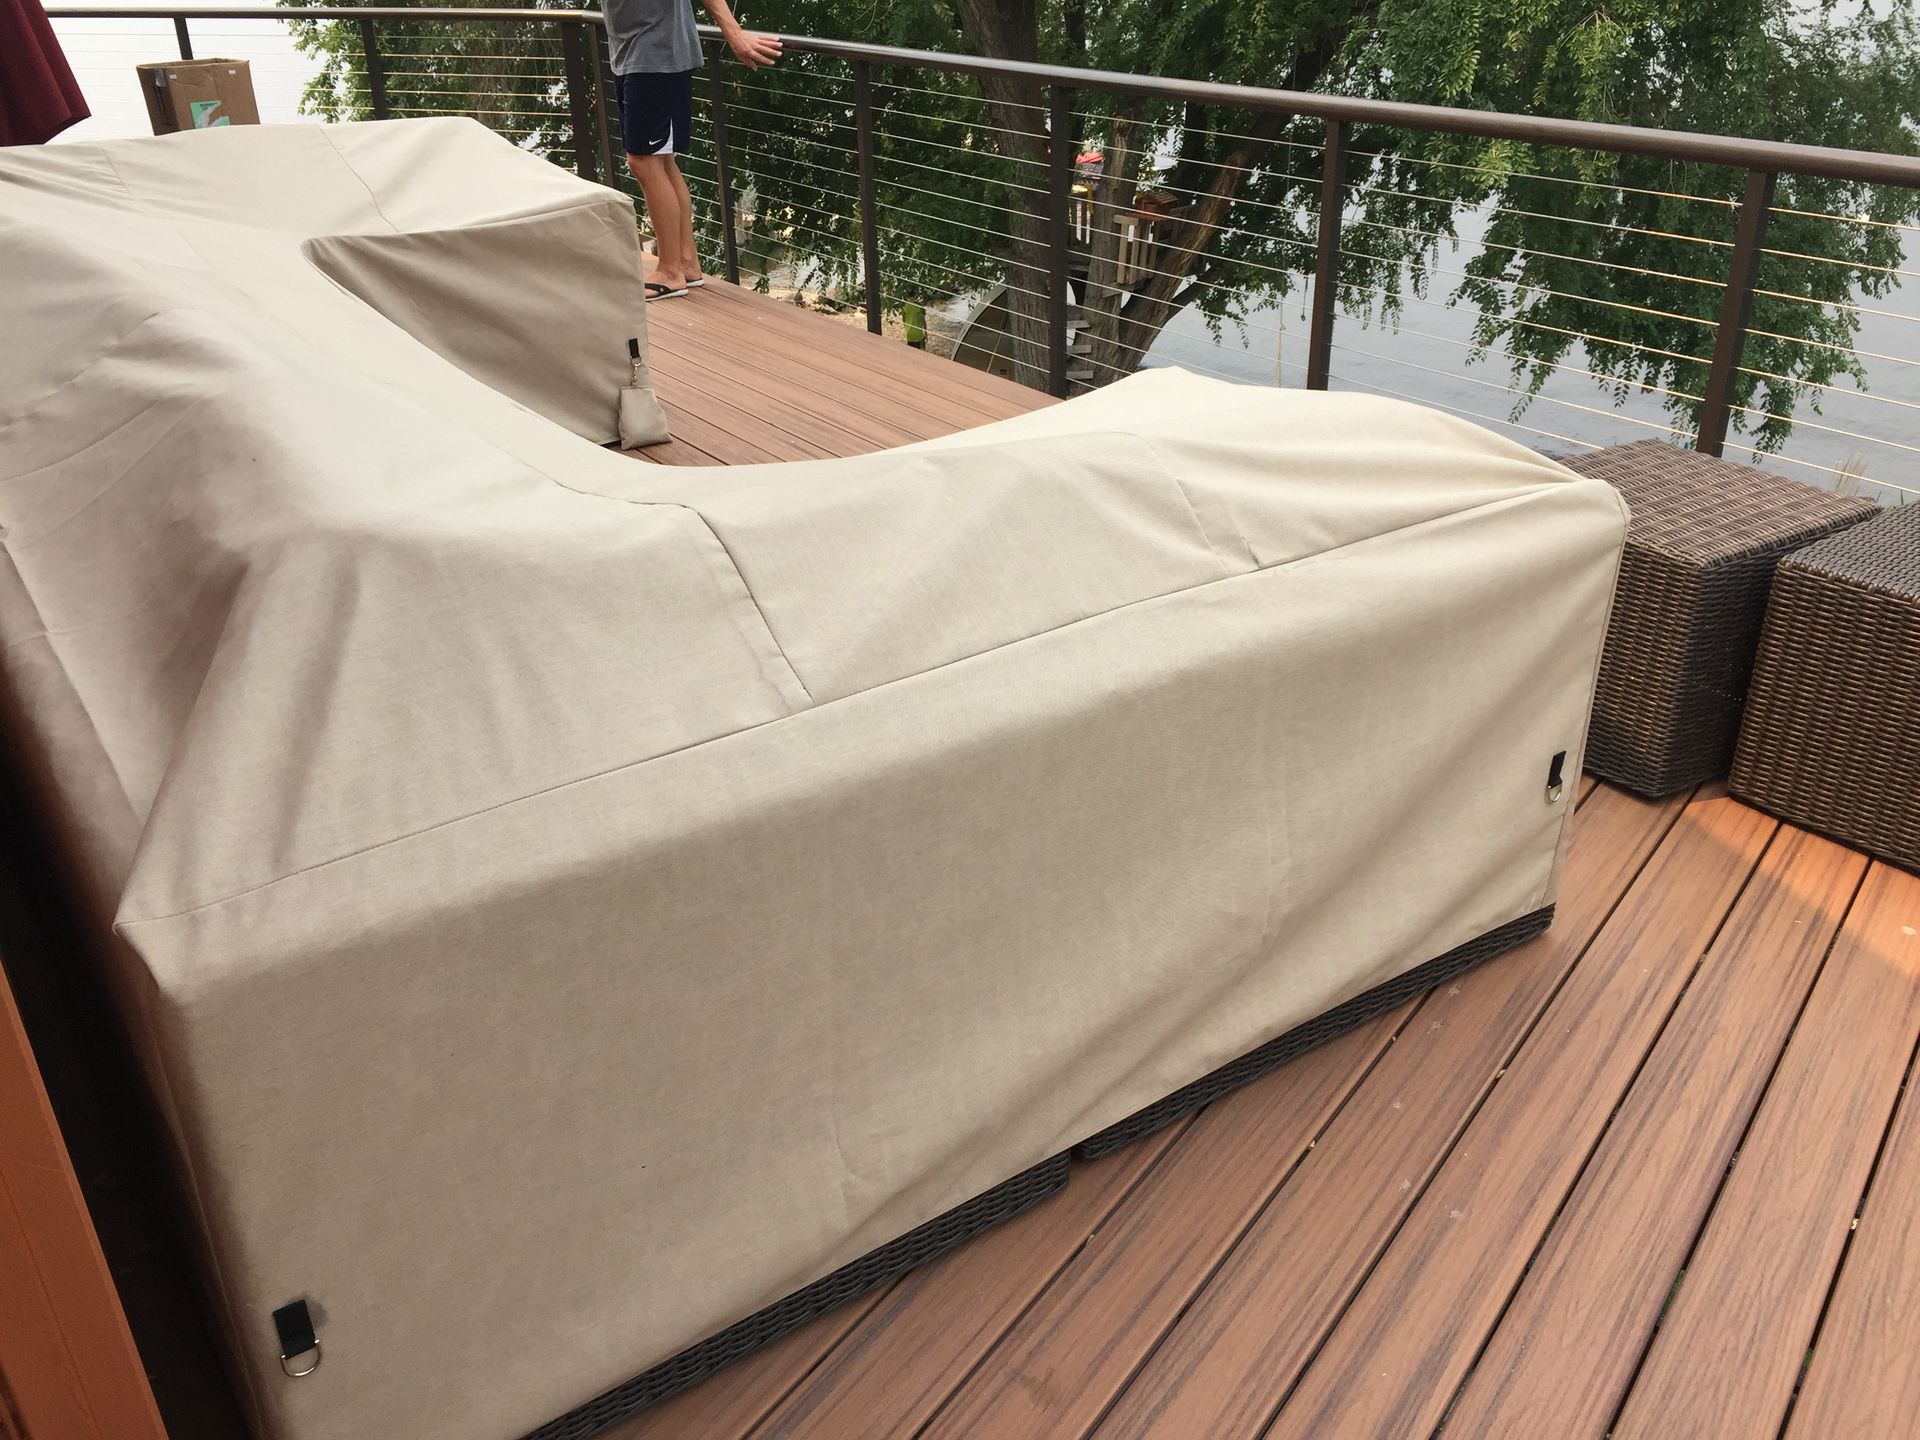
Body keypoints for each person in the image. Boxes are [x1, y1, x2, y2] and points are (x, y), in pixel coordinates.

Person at [604, 0, 779, 299]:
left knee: (644, 161)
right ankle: (685, 263)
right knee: (659, 160)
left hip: (656, 53)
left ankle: (670, 271)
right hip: (633, 50)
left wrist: (734, 32)